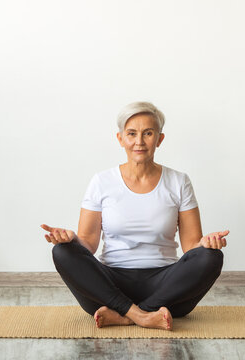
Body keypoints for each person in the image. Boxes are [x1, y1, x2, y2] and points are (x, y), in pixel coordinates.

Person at [41, 101, 229, 331]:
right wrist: (70, 240)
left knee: (212, 257)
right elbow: (88, 244)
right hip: (109, 284)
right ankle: (145, 315)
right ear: (120, 138)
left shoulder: (179, 181)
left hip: (166, 286)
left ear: (159, 139)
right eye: (132, 134)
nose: (139, 142)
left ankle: (125, 316)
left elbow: (191, 246)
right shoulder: (101, 182)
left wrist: (207, 244)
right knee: (62, 251)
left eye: (148, 133)